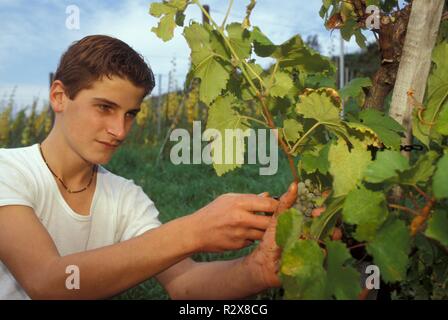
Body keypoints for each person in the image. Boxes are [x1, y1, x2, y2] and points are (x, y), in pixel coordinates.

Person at [0, 35, 298, 300]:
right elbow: (46, 281)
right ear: (59, 97)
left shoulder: (125, 196)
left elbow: (185, 284)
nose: (120, 130)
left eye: (130, 114)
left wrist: (256, 269)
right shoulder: (8, 169)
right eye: (105, 107)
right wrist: (194, 230)